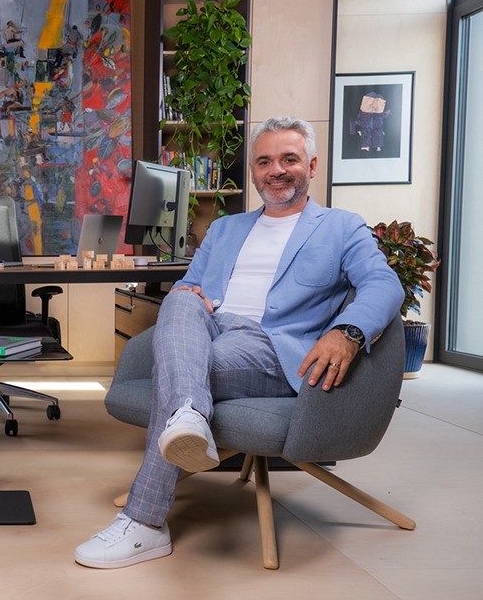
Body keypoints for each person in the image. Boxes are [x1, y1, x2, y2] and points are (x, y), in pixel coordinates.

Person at [74, 115, 403, 569]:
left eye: (289, 159)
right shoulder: (226, 229)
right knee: (180, 299)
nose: (276, 170)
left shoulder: (341, 227)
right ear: (253, 171)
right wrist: (191, 295)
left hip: (272, 346)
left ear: (311, 165)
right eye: (264, 161)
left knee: (180, 370)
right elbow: (191, 285)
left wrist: (347, 333)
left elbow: (384, 285)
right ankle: (188, 415)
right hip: (208, 329)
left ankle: (144, 522)